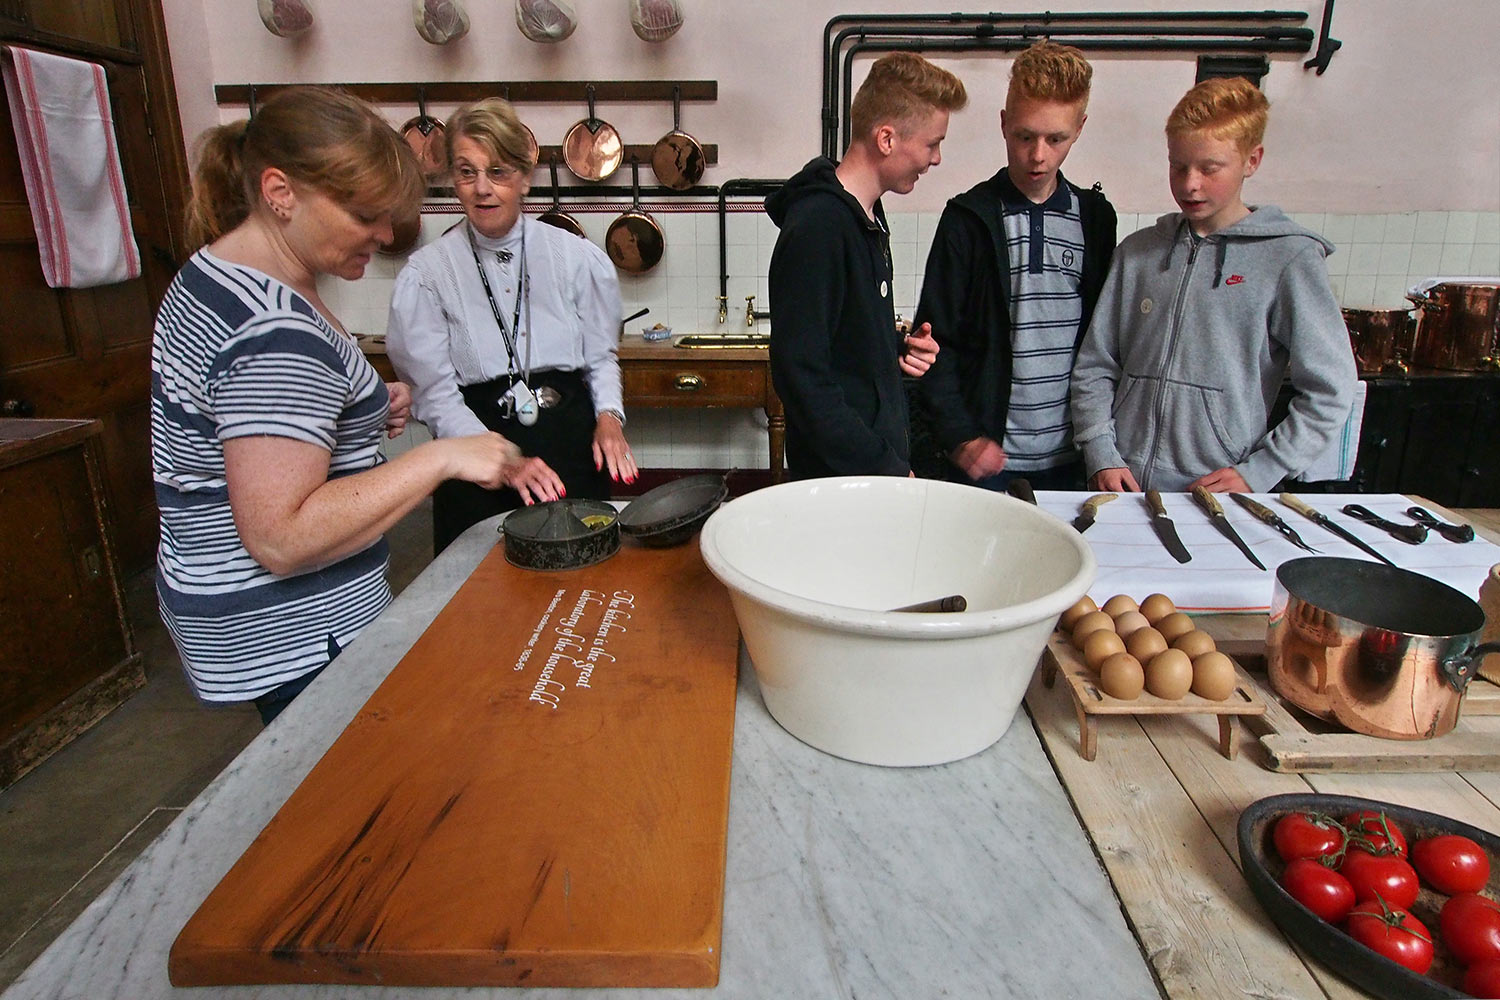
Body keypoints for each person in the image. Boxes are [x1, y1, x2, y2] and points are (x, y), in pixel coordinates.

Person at [152, 87, 528, 725]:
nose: (384, 236)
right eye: (365, 216)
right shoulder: (274, 331)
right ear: (280, 192)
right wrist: (441, 457)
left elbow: (244, 420)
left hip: (233, 612)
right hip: (296, 630)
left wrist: (358, 406)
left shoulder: (222, 272)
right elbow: (282, 536)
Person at [1070, 76, 1355, 494]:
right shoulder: (1138, 253)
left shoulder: (1288, 258)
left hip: (1214, 494)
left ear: (1252, 160)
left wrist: (1260, 470)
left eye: (1209, 168)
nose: (1189, 184)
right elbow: (1096, 364)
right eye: (1178, 165)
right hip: (1120, 486)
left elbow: (1331, 390)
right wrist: (1100, 451)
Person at [386, 98, 635, 553]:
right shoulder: (426, 275)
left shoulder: (575, 257)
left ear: (524, 177)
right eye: (466, 172)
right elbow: (435, 394)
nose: (482, 188)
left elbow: (601, 356)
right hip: (474, 449)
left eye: (497, 172)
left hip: (570, 450)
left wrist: (609, 418)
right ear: (451, 180)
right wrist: (501, 461)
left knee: (579, 586)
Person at [915, 41, 1117, 491]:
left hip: (1074, 461)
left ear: (1079, 129)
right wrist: (960, 437)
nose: (1038, 155)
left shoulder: (1097, 220)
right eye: (1025, 136)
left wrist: (1102, 445)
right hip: (986, 463)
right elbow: (933, 342)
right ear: (1004, 124)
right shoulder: (967, 220)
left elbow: (1103, 345)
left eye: (1056, 138)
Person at [765, 53, 966, 479]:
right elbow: (803, 380)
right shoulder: (819, 227)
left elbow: (843, 347)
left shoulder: (866, 216)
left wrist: (895, 351)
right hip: (842, 487)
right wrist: (885, 468)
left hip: (868, 478)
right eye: (933, 143)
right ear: (887, 139)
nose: (936, 159)